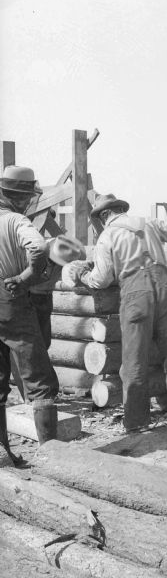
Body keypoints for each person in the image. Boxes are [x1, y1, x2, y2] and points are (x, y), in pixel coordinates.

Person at [65, 194, 167, 434]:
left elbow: (102, 279)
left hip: (136, 295)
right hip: (166, 290)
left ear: (105, 215)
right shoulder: (147, 222)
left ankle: (137, 422)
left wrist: (82, 275)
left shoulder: (108, 236)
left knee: (134, 360)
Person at [0, 165, 59, 464]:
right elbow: (39, 247)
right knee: (40, 377)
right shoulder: (16, 219)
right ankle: (54, 458)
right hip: (9, 299)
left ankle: (2, 454)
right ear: (22, 198)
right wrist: (25, 278)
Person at [13, 235, 86, 402]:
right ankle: (30, 396)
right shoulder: (33, 253)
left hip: (45, 298)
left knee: (44, 344)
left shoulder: (67, 250)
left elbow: (81, 257)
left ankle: (44, 391)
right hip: (27, 298)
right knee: (26, 349)